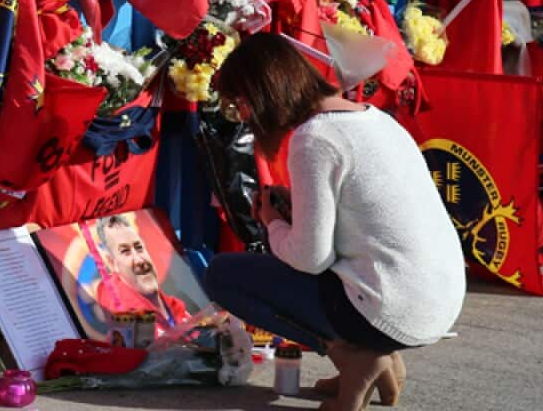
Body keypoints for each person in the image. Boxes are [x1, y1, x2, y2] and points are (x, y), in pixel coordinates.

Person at [203, 34, 465, 411]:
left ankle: (353, 356)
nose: (243, 117)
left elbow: (311, 259)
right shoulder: (376, 119)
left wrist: (272, 221)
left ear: (263, 93)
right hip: (436, 304)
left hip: (389, 307)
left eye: (239, 104)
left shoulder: (316, 138)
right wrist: (298, 207)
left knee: (223, 275)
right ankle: (378, 355)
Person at [95, 215, 190, 330]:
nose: (139, 260)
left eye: (139, 247)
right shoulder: (129, 322)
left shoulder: (175, 305)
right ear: (111, 263)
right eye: (125, 251)